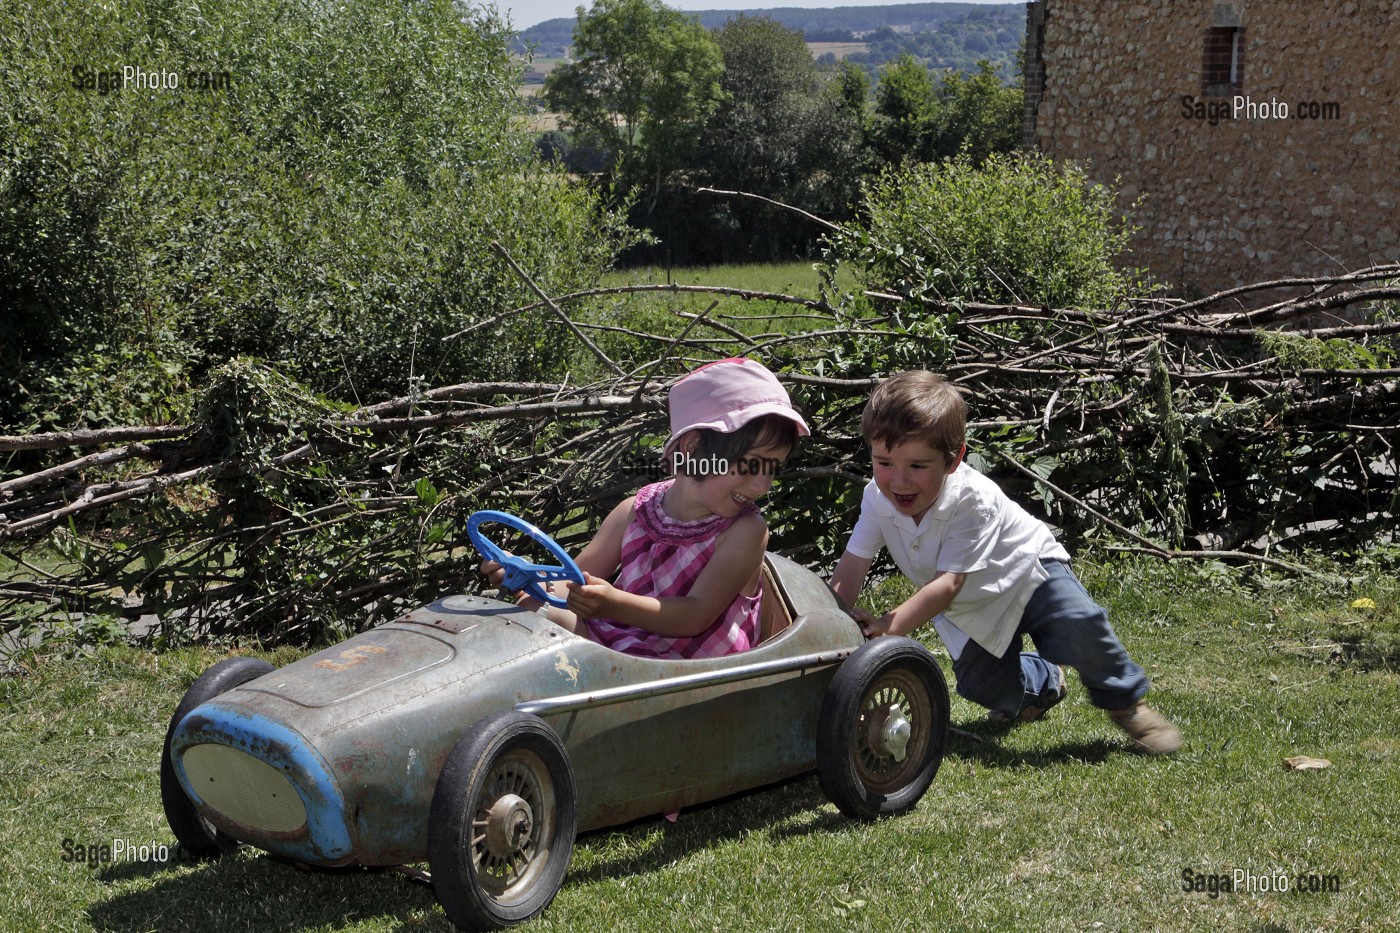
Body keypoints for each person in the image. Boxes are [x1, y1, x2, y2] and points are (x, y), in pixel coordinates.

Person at [828, 371, 1182, 754]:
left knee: (1079, 626)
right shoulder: (876, 500)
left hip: (1027, 571)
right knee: (986, 688)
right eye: (884, 463)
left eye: (917, 466)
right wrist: (829, 619)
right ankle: (1044, 682)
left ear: (954, 459)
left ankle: (1128, 704)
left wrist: (886, 626)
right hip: (968, 605)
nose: (899, 481)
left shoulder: (971, 499)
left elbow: (948, 583)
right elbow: (852, 565)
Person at [482, 357, 809, 659]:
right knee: (536, 608)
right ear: (693, 447)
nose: (762, 486)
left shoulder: (745, 531)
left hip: (693, 675)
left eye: (772, 468)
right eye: (751, 464)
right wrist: (527, 578)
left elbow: (695, 615)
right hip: (620, 650)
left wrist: (614, 604)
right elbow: (573, 581)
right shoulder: (635, 512)